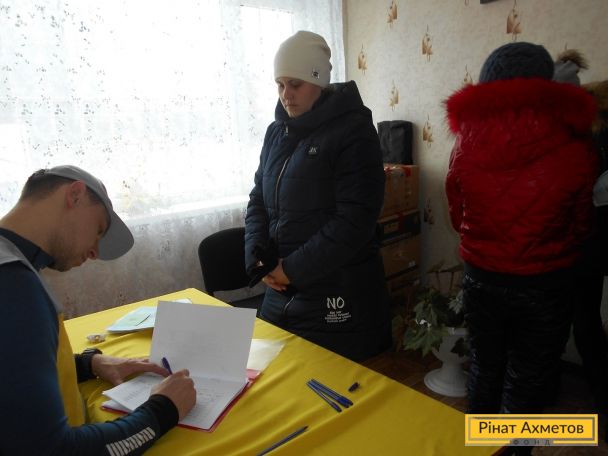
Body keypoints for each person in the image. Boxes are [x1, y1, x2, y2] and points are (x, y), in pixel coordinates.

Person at [445, 41, 598, 423]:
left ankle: (481, 446)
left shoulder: (464, 142)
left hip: (481, 277)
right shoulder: (576, 144)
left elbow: (457, 214)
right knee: (528, 379)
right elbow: (581, 223)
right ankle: (513, 448)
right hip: (546, 281)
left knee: (484, 366)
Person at [0, 165, 196, 455]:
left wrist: (88, 364)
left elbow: (14, 369)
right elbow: (53, 450)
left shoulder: (12, 265)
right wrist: (162, 410)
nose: (95, 252)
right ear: (75, 195)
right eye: (99, 230)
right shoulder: (13, 285)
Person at [244, 30, 391, 361]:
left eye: (295, 84)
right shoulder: (275, 133)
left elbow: (354, 221)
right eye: (280, 85)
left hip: (338, 298)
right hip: (281, 293)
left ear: (319, 81)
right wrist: (258, 261)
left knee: (333, 388)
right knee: (274, 381)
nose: (286, 95)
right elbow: (258, 201)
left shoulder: (354, 132)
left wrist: (291, 270)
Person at [554, 48, 608, 436]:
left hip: (583, 241)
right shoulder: (586, 123)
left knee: (577, 320)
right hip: (585, 242)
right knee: (580, 320)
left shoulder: (588, 130)